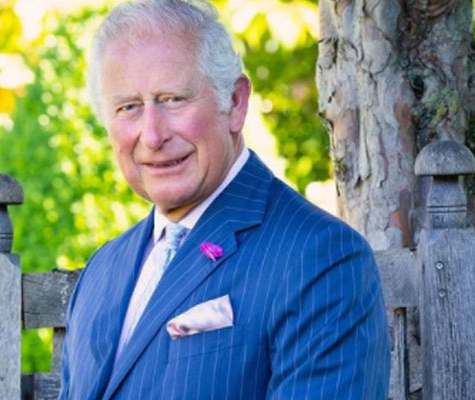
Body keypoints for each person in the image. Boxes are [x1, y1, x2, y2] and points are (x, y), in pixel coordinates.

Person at [59, 0, 390, 398]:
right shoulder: (101, 270)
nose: (152, 135)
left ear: (234, 102)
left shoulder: (322, 258)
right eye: (128, 107)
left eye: (173, 99)